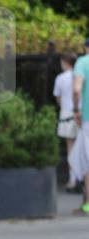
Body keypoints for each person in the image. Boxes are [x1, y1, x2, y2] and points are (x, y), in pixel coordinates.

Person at [69, 37, 89, 215]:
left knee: (85, 159)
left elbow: (76, 89)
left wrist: (76, 109)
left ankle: (88, 204)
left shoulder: (83, 62)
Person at [53, 53, 78, 191]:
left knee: (71, 147)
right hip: (81, 112)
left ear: (65, 62)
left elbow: (58, 97)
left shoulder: (61, 78)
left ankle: (73, 179)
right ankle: (80, 179)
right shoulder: (80, 74)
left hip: (67, 112)